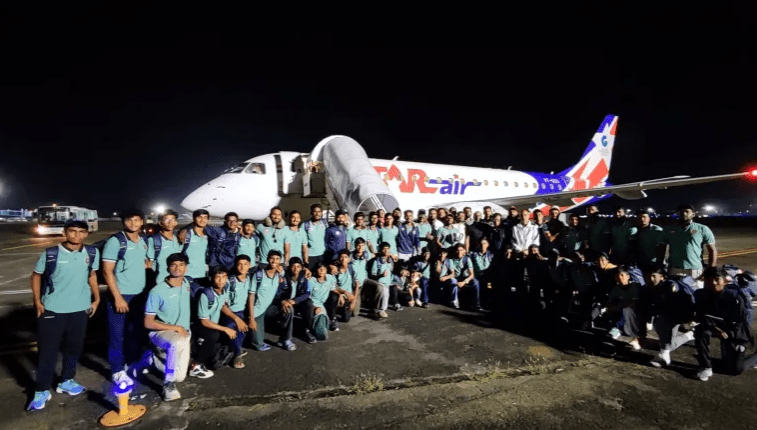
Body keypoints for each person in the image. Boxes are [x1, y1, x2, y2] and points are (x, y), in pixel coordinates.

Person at [27, 219, 100, 411]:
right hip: (53, 309)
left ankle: (66, 380)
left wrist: (97, 298)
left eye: (81, 231)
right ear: (65, 233)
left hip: (80, 309)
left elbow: (92, 275)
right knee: (47, 352)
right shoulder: (51, 253)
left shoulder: (92, 252)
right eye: (73, 231)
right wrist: (37, 301)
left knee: (73, 349)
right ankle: (42, 389)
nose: (77, 235)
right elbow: (36, 276)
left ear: (87, 234)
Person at [102, 209, 149, 386]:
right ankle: (117, 370)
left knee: (134, 332)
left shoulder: (142, 241)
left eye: (136, 220)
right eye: (129, 220)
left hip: (139, 295)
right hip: (122, 295)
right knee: (117, 335)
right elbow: (107, 271)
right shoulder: (115, 241)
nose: (133, 223)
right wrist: (118, 297)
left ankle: (132, 363)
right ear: (123, 222)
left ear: (142, 222)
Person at [143, 253, 193, 401]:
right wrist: (176, 328)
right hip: (161, 332)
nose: (178, 268)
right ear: (168, 268)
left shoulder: (186, 284)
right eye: (173, 265)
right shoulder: (157, 291)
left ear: (186, 268)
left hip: (183, 333)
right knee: (175, 344)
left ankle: (152, 359)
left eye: (181, 265)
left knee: (180, 377)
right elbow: (148, 322)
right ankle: (168, 384)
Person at [694, 267, 757, 381]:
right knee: (700, 331)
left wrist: (729, 335)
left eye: (717, 279)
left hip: (735, 331)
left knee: (735, 369)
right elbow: (700, 316)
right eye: (710, 279)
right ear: (705, 281)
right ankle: (706, 366)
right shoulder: (700, 294)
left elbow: (740, 322)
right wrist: (714, 328)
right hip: (714, 327)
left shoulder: (734, 297)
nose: (713, 283)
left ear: (725, 282)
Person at [642, 268, 696, 368]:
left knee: (665, 334)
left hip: (679, 314)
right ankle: (690, 335)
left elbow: (673, 289)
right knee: (667, 339)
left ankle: (664, 357)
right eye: (649, 276)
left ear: (661, 277)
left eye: (654, 276)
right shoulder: (648, 288)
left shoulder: (668, 284)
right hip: (667, 314)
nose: (651, 278)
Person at [190, 266, 236, 377]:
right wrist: (225, 329)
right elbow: (204, 321)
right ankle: (196, 366)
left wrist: (236, 319)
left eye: (224, 277)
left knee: (226, 334)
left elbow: (222, 305)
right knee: (214, 336)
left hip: (213, 323)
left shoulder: (224, 289)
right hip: (201, 325)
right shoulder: (206, 294)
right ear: (211, 278)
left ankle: (209, 358)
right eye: (217, 277)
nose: (221, 280)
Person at [658, 204, 717, 283]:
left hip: (695, 269)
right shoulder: (668, 229)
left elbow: (712, 250)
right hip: (674, 269)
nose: (684, 213)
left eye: (687, 211)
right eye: (681, 212)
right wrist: (659, 266)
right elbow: (661, 249)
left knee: (696, 291)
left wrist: (711, 269)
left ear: (693, 214)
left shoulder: (702, 229)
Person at [221, 255, 254, 368]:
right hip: (230, 312)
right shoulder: (229, 281)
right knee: (233, 327)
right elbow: (222, 305)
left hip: (243, 311)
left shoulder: (251, 279)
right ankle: (237, 354)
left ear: (249, 265)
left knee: (248, 331)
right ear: (235, 265)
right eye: (239, 264)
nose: (242, 267)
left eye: (245, 264)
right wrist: (236, 318)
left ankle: (235, 347)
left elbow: (251, 297)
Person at [279, 258, 316, 343]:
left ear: (301, 268)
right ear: (289, 267)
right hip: (286, 301)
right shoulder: (283, 277)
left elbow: (307, 293)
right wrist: (283, 301)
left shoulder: (304, 277)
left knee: (309, 304)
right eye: (293, 266)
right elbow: (278, 292)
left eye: (298, 267)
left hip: (298, 301)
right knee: (287, 309)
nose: (296, 269)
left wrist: (296, 301)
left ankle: (307, 330)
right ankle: (286, 336)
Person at [605, 267, 643, 350]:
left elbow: (634, 302)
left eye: (622, 275)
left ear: (628, 276)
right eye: (618, 276)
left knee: (627, 309)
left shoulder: (635, 286)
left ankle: (618, 329)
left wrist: (621, 305)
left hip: (635, 312)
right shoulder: (616, 289)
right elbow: (610, 302)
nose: (620, 277)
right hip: (620, 311)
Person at [439, 244, 482, 311]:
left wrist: (464, 282)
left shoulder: (467, 259)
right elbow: (444, 275)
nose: (459, 252)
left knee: (475, 282)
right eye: (457, 250)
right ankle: (454, 302)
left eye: (461, 250)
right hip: (454, 278)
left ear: (464, 251)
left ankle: (476, 304)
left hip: (465, 278)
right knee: (453, 281)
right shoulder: (450, 260)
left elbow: (471, 274)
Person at [147, 210, 181, 284]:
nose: (170, 222)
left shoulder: (179, 239)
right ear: (160, 223)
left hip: (176, 281)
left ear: (176, 223)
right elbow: (149, 264)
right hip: (160, 282)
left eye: (172, 220)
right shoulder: (153, 240)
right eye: (166, 219)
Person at [363, 242, 394, 319]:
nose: (386, 251)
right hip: (380, 282)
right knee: (384, 294)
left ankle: (381, 310)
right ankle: (380, 310)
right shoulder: (376, 261)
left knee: (386, 295)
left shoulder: (390, 260)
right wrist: (381, 275)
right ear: (381, 250)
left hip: (388, 283)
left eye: (387, 249)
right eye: (384, 249)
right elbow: (373, 275)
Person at [331, 250, 360, 325]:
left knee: (355, 313)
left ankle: (345, 306)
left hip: (351, 293)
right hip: (341, 293)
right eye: (341, 257)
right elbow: (333, 286)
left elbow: (357, 285)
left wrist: (354, 300)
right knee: (346, 319)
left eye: (345, 257)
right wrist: (343, 293)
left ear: (349, 259)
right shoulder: (336, 270)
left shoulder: (352, 268)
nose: (343, 259)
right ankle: (336, 311)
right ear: (339, 259)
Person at [180, 209, 210, 279]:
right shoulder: (186, 235)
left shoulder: (209, 235)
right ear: (194, 219)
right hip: (187, 275)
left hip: (203, 274)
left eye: (205, 217)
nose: (202, 220)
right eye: (199, 217)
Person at [303, 204, 329, 271]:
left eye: (319, 211)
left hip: (323, 255)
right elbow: (302, 242)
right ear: (311, 212)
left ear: (321, 212)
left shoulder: (325, 223)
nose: (317, 214)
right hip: (310, 255)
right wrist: (305, 259)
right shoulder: (305, 224)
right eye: (315, 211)